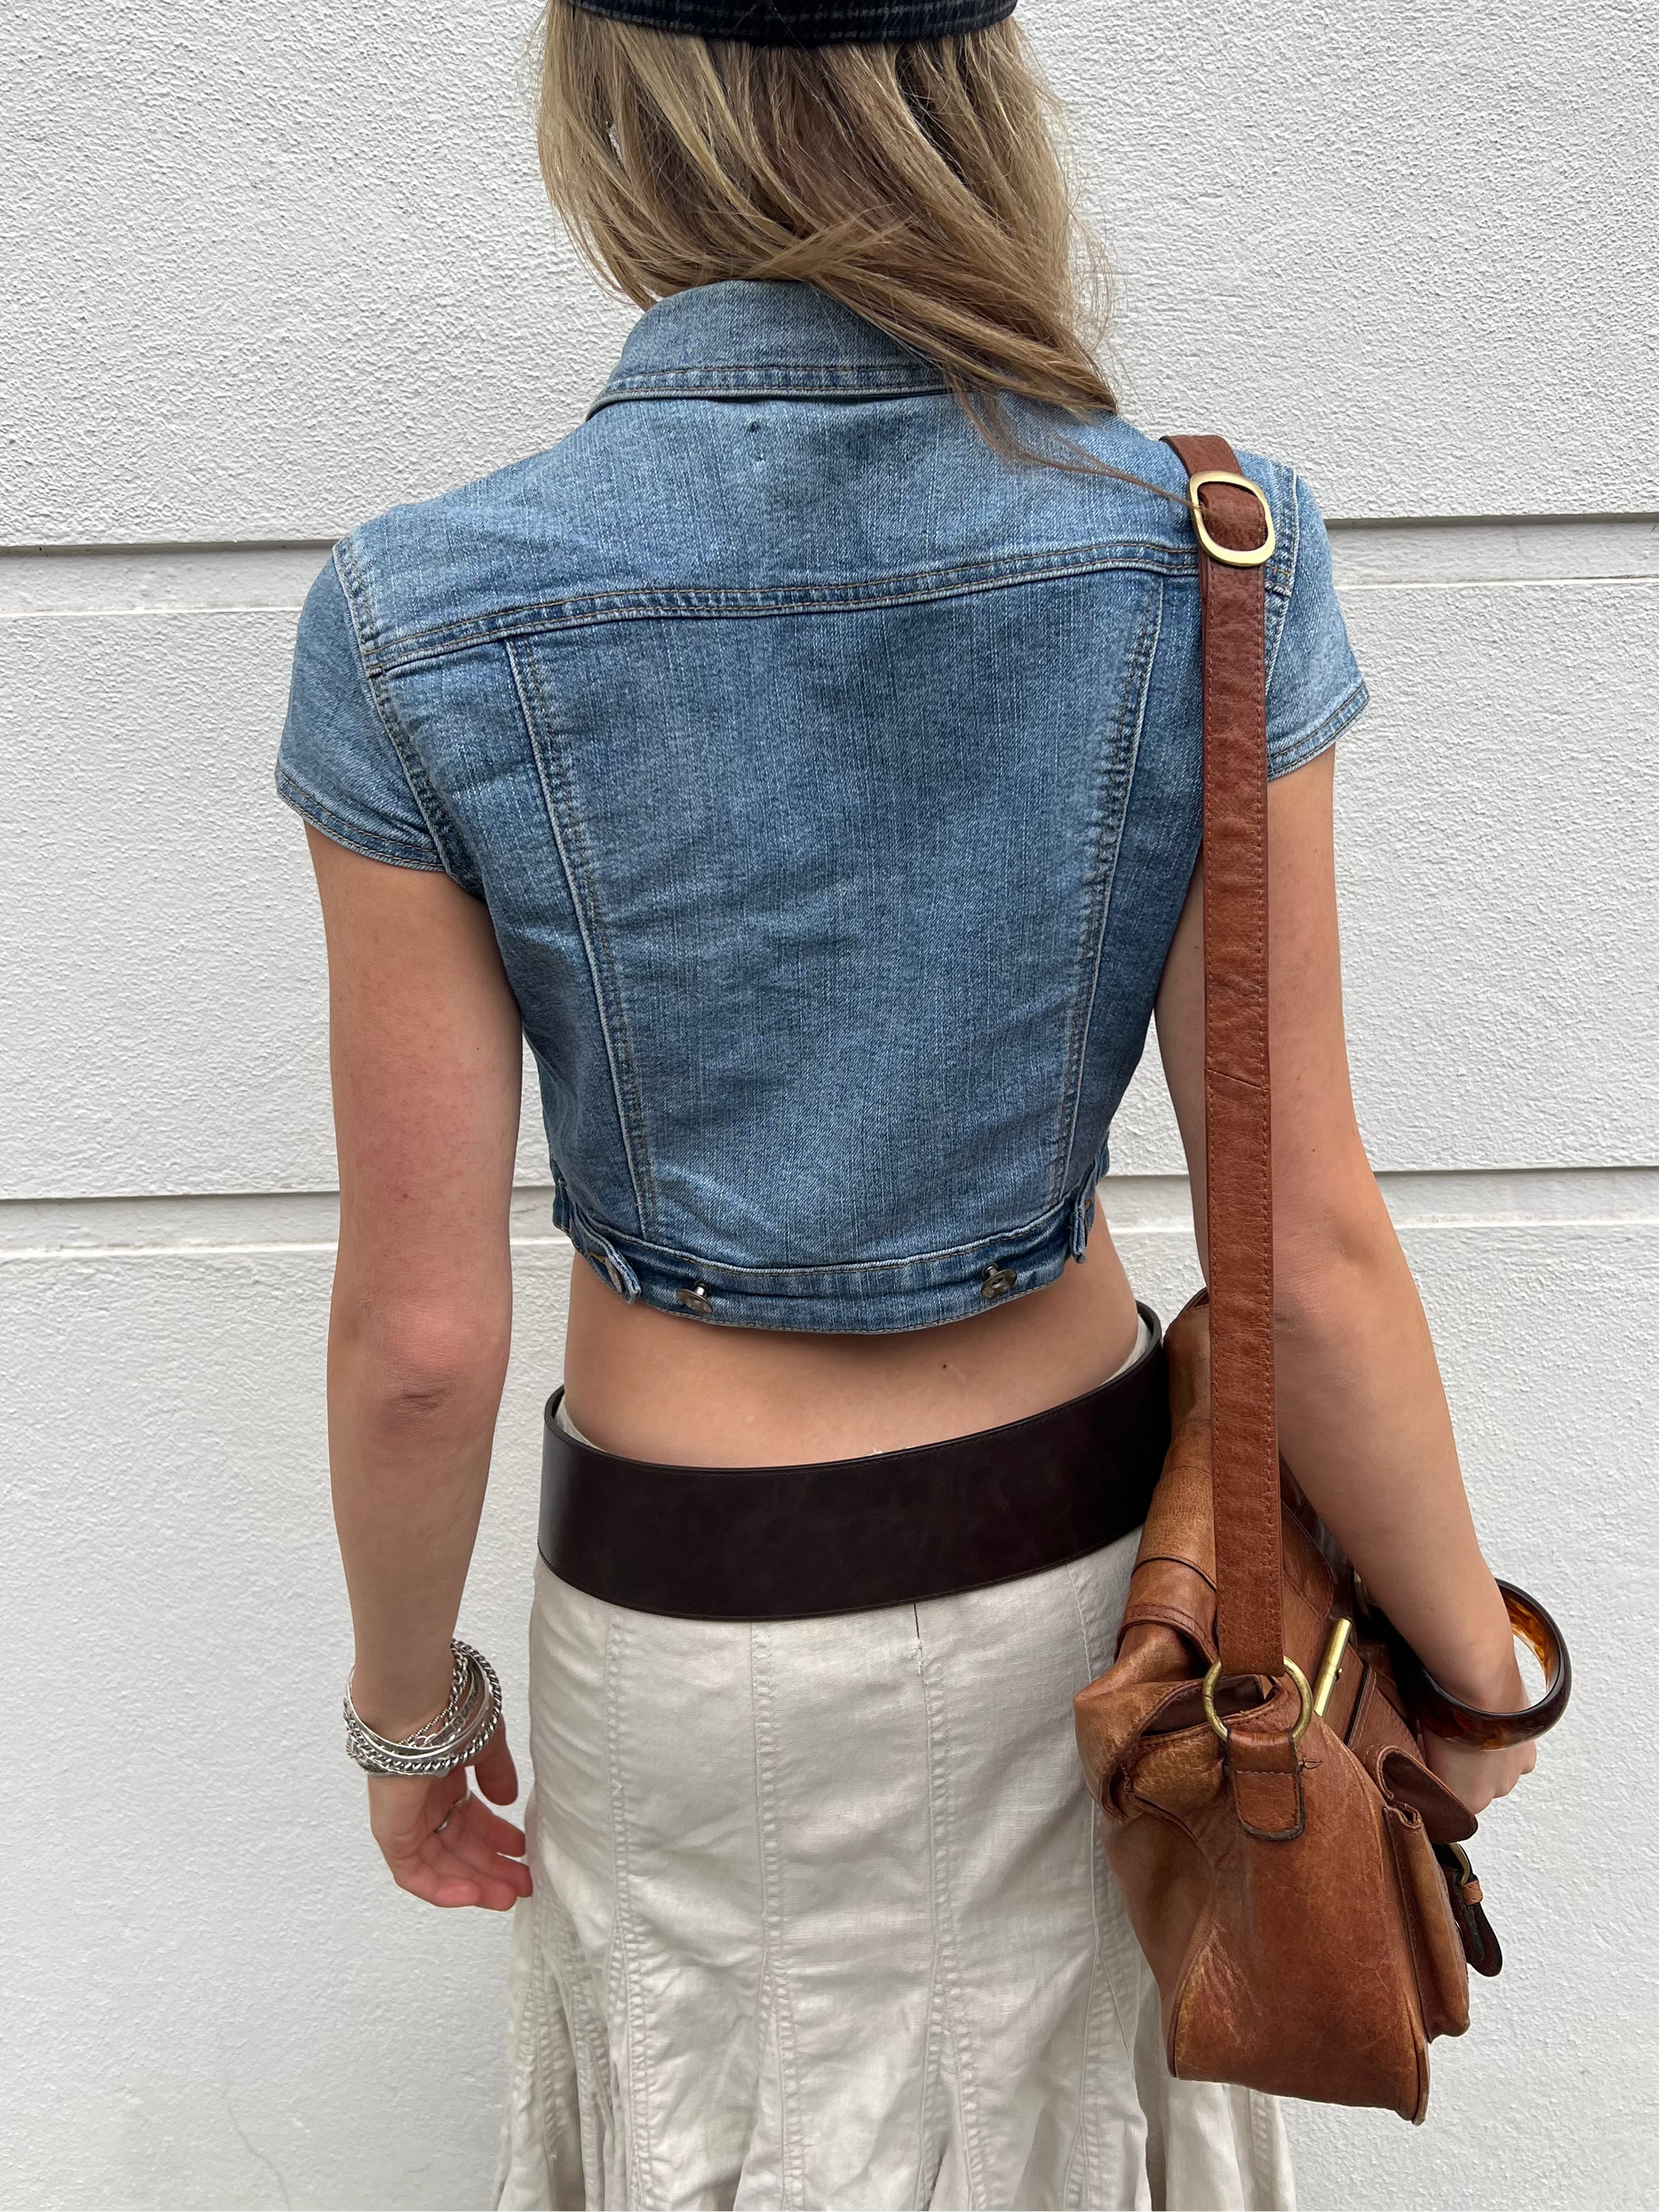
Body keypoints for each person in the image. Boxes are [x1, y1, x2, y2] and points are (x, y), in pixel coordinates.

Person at [277, 3, 1537, 2204]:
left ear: (614, 118)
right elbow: (1306, 1250)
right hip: (1103, 1640)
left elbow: (417, 1346)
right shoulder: (1203, 554)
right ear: (970, 112)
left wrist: (413, 1713)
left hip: (682, 1655)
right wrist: (1468, 1665)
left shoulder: (420, 615)